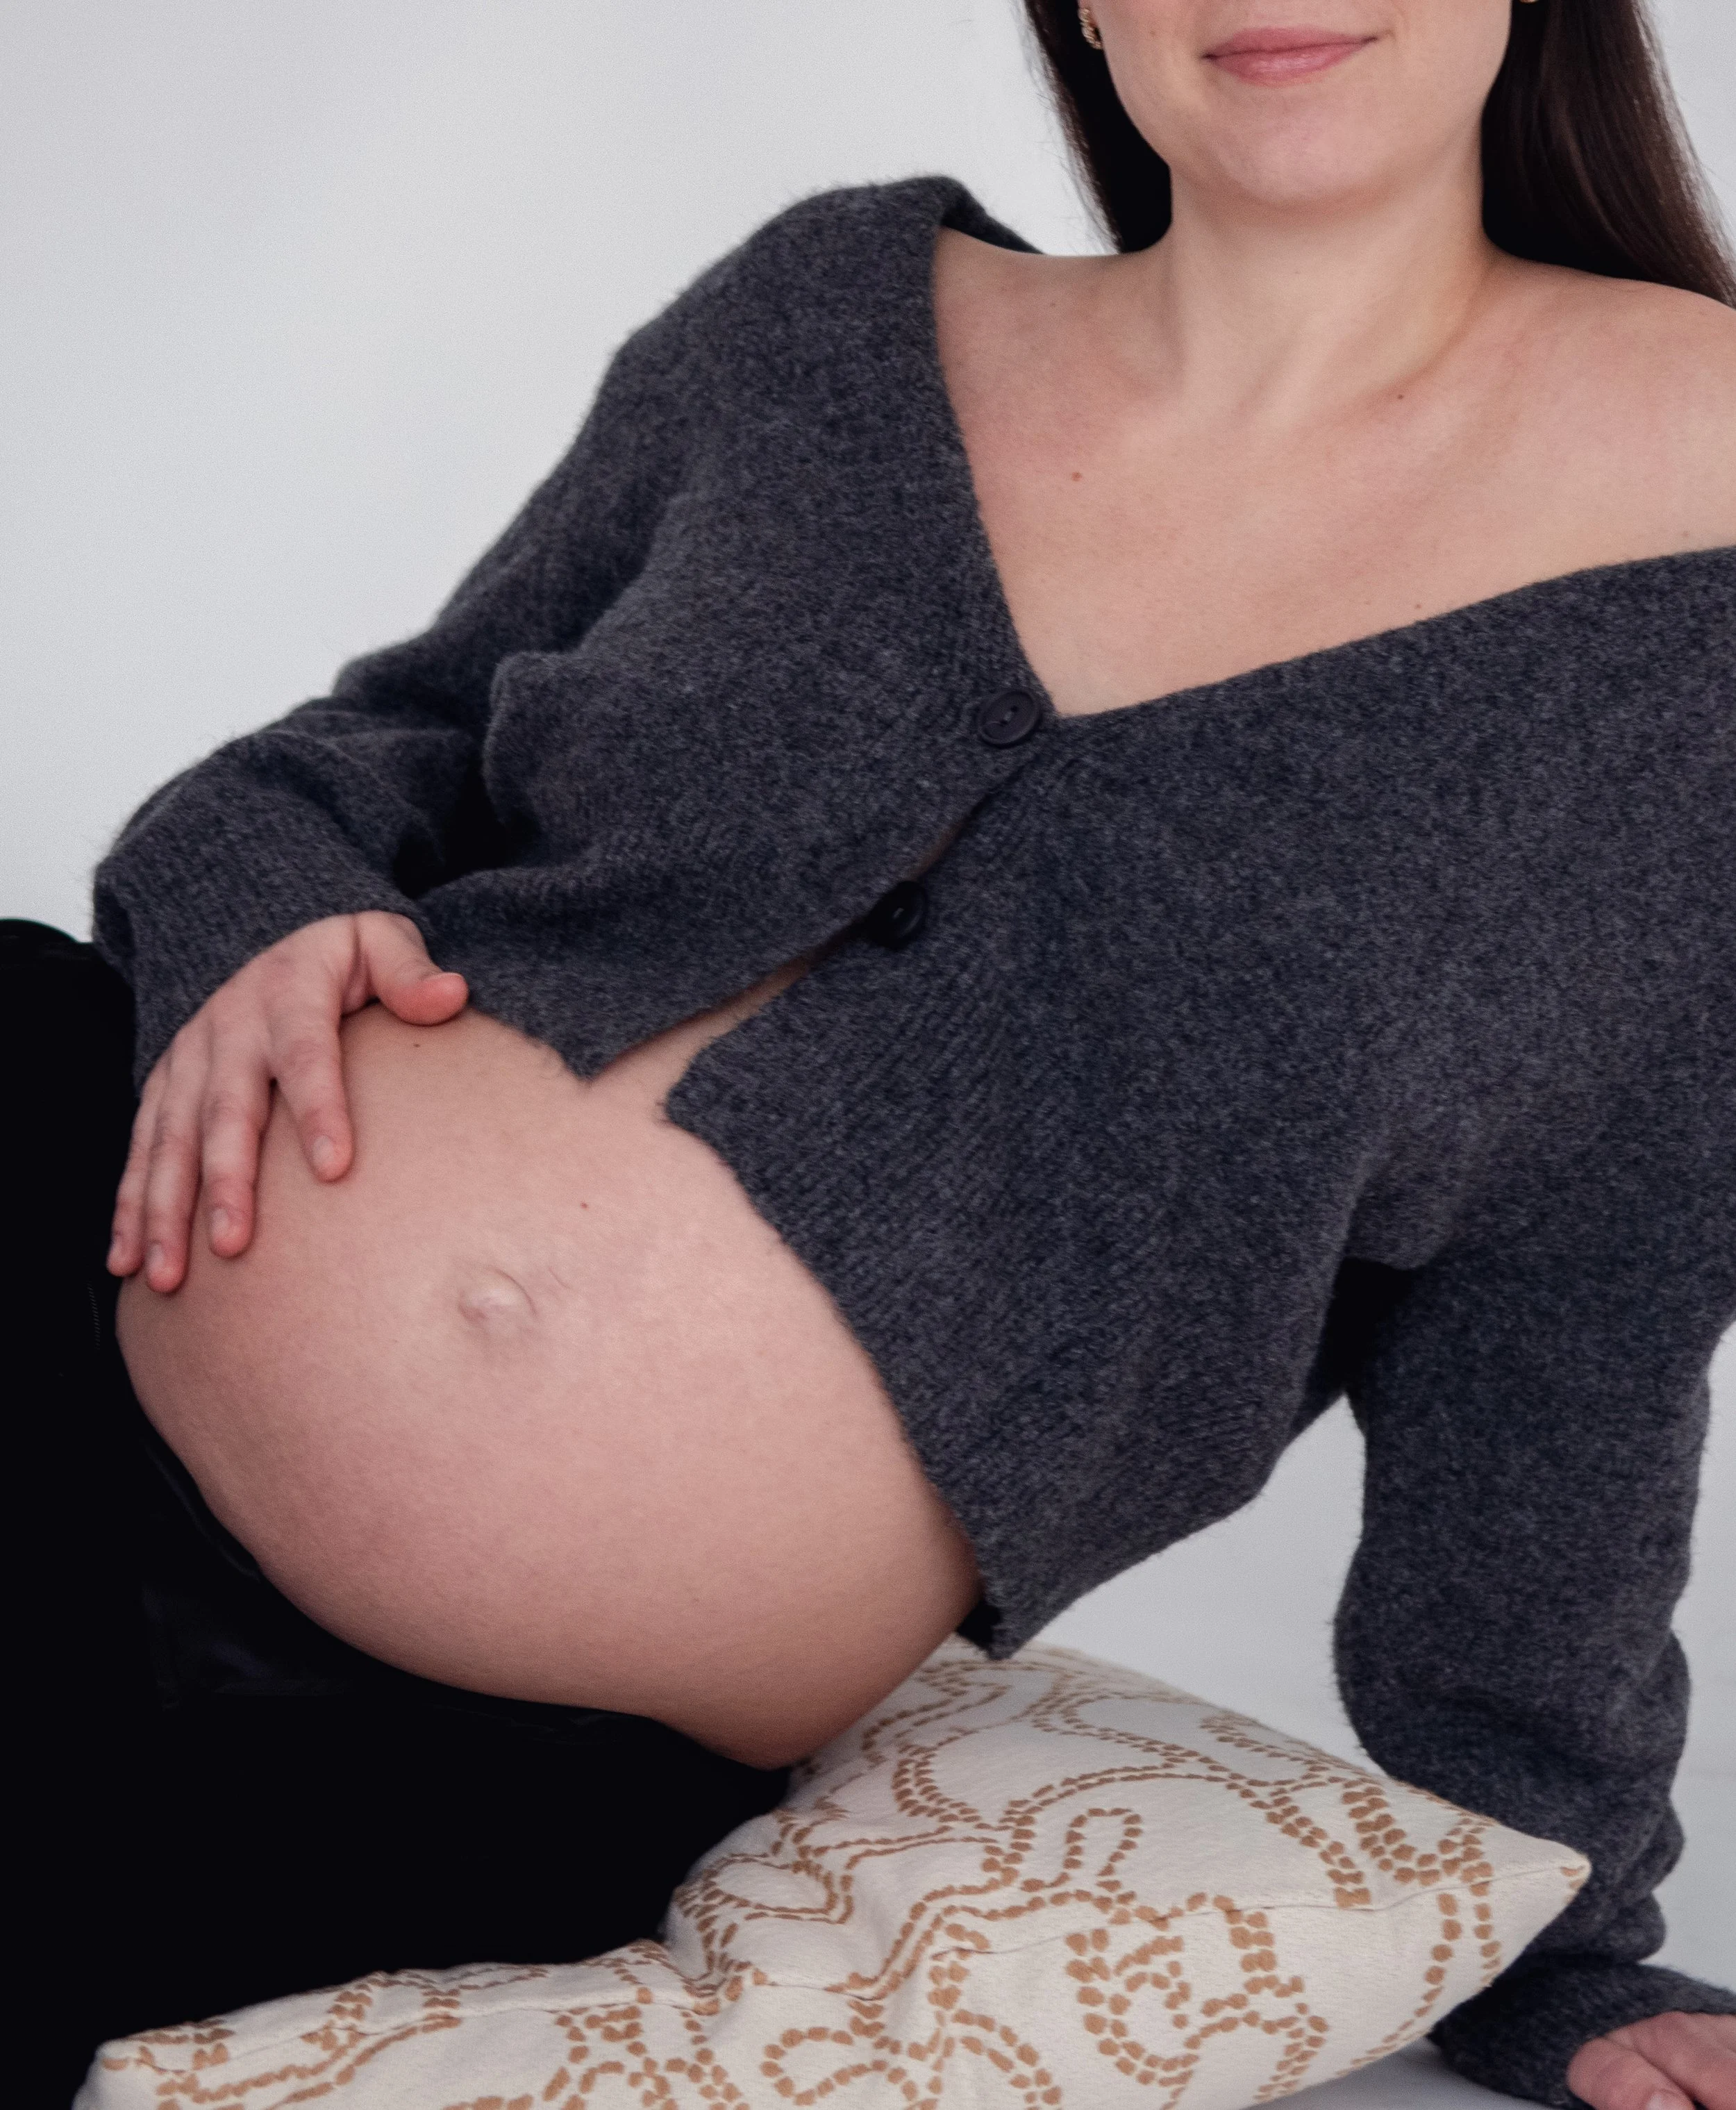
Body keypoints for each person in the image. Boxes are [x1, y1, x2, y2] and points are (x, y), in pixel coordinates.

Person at [21, 0, 1736, 2102]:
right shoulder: (827, 313)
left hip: (472, 1746)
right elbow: (378, 745)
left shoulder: (1700, 573)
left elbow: (1585, 1313)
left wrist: (1563, 1931)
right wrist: (256, 902)